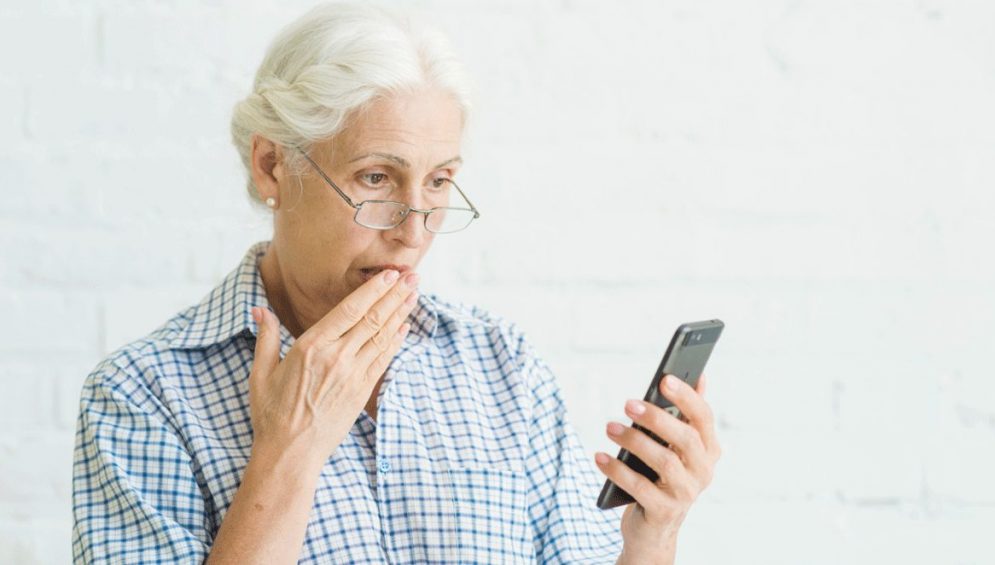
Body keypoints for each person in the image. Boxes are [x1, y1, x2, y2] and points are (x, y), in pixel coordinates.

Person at [71, 3, 721, 563]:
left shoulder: (504, 367)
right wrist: (289, 452)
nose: (415, 230)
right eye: (376, 178)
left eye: (438, 181)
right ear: (272, 167)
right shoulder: (141, 397)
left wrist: (651, 537)